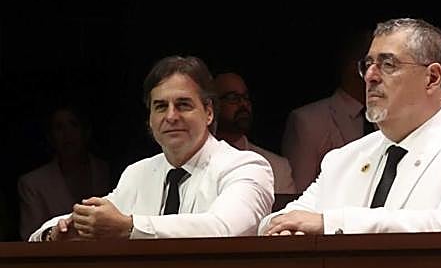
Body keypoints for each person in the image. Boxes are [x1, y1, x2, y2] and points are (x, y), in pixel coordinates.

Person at [261, 18, 441, 235]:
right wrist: (283, 230)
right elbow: (281, 219)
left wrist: (332, 223)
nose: (370, 76)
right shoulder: (342, 159)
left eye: (388, 64)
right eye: (368, 64)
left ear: (432, 78)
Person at [31, 56, 274, 241]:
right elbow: (95, 216)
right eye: (160, 106)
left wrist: (130, 227)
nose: (171, 116)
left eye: (183, 105)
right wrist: (57, 232)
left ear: (209, 112)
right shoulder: (138, 174)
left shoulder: (246, 167)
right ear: (149, 118)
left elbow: (224, 229)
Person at [282, 29, 373, 192]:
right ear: (355, 66)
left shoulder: (387, 117)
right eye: (371, 64)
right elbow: (299, 189)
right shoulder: (308, 121)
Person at [18, 105, 112, 240]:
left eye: (73, 125)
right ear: (50, 137)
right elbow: (30, 238)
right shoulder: (32, 183)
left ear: (86, 132)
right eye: (59, 127)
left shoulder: (104, 170)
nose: (67, 134)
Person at [213, 72, 297, 194]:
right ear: (212, 105)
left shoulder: (277, 167)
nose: (243, 104)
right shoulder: (195, 161)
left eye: (246, 97)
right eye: (233, 98)